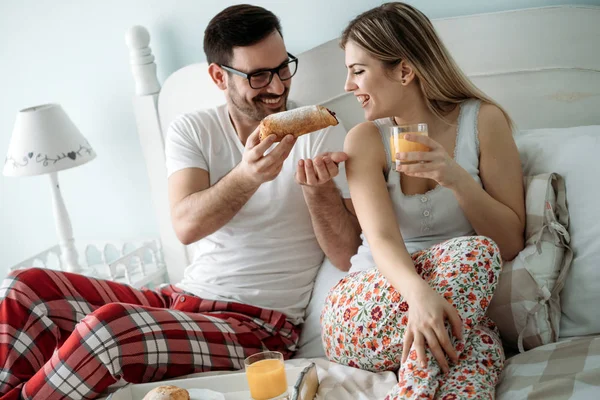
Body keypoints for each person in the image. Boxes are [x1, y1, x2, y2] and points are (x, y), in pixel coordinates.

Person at [0, 5, 360, 400]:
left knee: (108, 330)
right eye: (258, 75)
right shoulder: (193, 128)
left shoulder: (317, 133)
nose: (277, 87)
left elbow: (346, 256)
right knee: (26, 288)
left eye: (282, 68)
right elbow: (186, 225)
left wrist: (319, 191)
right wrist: (248, 174)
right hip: (182, 300)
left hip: (257, 329)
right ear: (218, 76)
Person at [320, 2, 526, 399]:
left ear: (404, 70)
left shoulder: (484, 121)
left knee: (479, 352)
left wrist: (456, 179)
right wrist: (419, 295)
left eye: (358, 70)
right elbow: (380, 240)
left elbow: (510, 245)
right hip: (366, 307)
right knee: (474, 258)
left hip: (454, 311)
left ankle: (412, 391)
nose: (348, 85)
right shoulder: (364, 140)